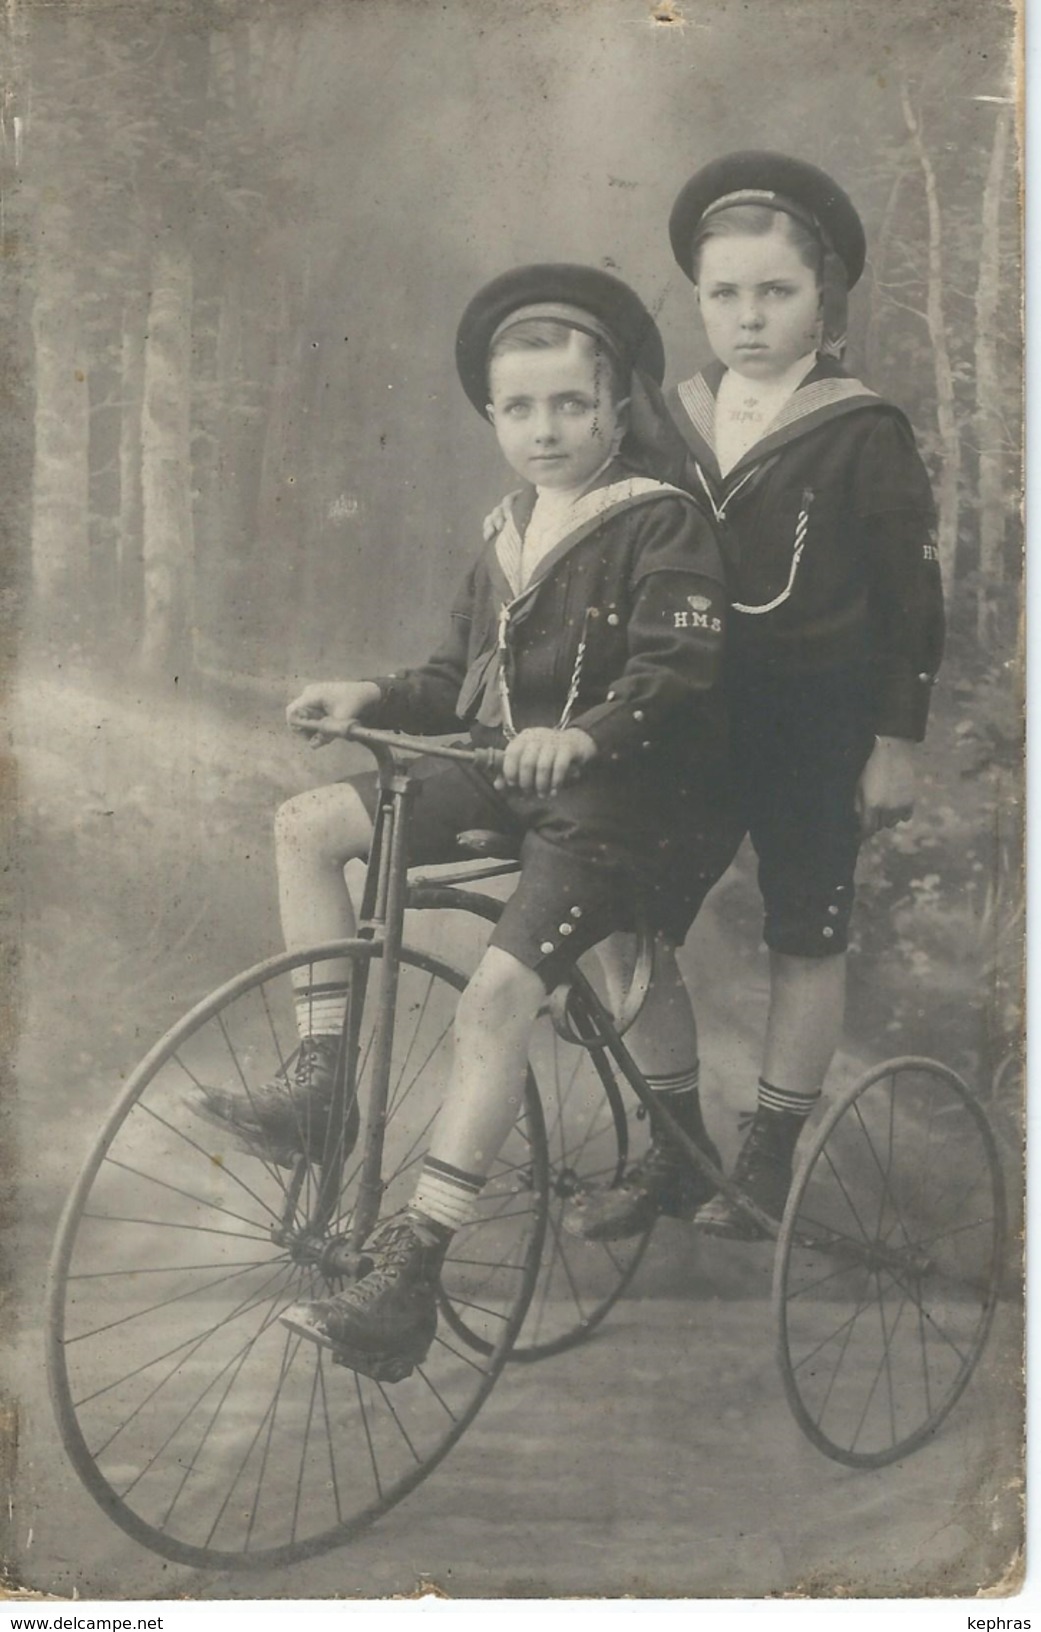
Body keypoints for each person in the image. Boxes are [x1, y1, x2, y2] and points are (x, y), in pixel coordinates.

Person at [197, 263, 739, 1372]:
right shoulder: (507, 532)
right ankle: (320, 1088)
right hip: (512, 774)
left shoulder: (660, 523)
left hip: (622, 800)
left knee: (493, 1000)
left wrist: (586, 733)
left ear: (616, 408)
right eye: (521, 409)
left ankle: (413, 1272)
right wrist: (370, 697)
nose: (546, 430)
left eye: (571, 406)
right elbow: (453, 678)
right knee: (310, 824)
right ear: (493, 417)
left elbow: (681, 669)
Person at [570, 152, 945, 1242]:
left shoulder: (860, 429)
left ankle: (767, 1163)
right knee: (626, 918)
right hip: (684, 722)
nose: (747, 318)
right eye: (723, 295)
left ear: (823, 297)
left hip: (813, 725)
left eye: (774, 293)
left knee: (803, 934)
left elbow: (910, 602)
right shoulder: (665, 422)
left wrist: (896, 741)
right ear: (698, 297)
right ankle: (677, 1150)